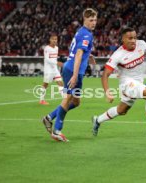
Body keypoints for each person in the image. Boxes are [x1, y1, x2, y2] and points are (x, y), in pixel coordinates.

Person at [92, 27, 146, 139]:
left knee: (121, 110)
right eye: (130, 38)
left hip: (138, 83)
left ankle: (97, 120)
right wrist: (107, 92)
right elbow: (105, 75)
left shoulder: (142, 44)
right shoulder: (118, 55)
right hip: (127, 84)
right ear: (123, 39)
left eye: (134, 37)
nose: (133, 40)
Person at [41, 8, 98, 142]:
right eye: (91, 20)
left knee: (76, 102)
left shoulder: (83, 32)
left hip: (74, 69)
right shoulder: (86, 35)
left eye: (95, 20)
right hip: (73, 70)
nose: (94, 23)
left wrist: (88, 55)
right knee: (67, 98)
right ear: (85, 20)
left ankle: (49, 117)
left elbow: (78, 51)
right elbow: (78, 54)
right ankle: (57, 130)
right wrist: (75, 75)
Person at [39, 34, 64, 105]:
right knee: (45, 84)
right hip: (48, 70)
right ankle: (41, 100)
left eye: (56, 39)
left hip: (55, 70)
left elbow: (54, 58)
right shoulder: (47, 48)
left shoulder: (56, 48)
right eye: (53, 39)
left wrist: (57, 63)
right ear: (50, 40)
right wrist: (57, 63)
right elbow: (47, 59)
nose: (54, 41)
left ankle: (65, 100)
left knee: (61, 83)